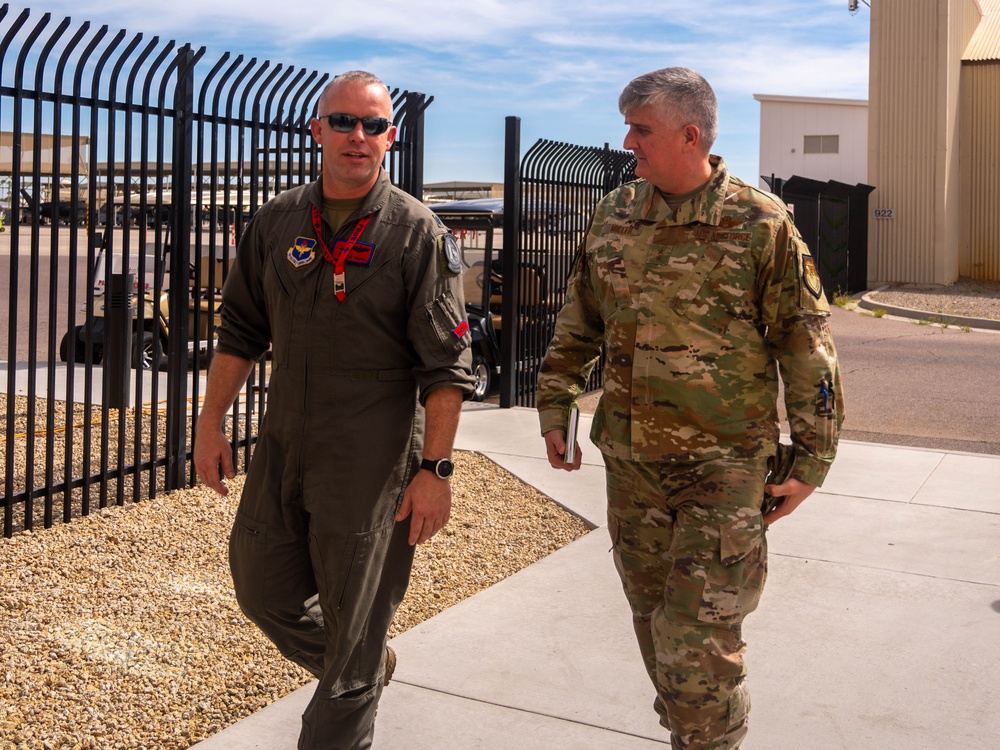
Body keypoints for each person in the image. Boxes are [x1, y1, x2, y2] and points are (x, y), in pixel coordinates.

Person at [536, 67, 844, 750]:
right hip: (633, 466)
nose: (627, 142)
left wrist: (813, 458)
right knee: (655, 633)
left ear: (689, 133)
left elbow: (806, 345)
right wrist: (555, 404)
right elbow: (578, 320)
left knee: (694, 649)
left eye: (640, 129)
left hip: (724, 469)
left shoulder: (759, 222)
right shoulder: (615, 214)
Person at [194, 70, 474, 750]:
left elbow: (446, 368)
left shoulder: (416, 233)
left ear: (391, 136)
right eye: (344, 121)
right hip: (287, 439)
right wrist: (209, 425)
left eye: (373, 125)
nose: (358, 136)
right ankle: (365, 665)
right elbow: (239, 331)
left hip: (372, 456)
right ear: (316, 129)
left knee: (355, 627)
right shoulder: (277, 221)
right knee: (262, 588)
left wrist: (435, 469)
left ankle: (353, 682)